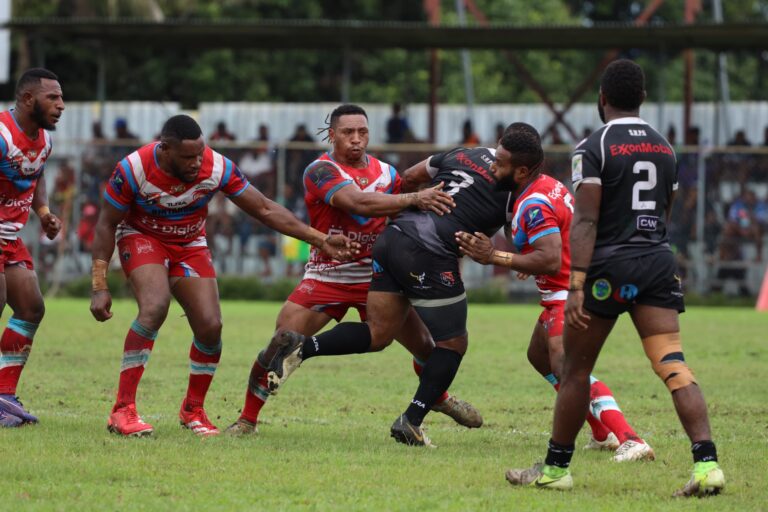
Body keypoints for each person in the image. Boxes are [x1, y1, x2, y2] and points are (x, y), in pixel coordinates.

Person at [505, 59, 724, 497]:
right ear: (641, 98)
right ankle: (707, 465)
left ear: (602, 98)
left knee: (575, 371)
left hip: (608, 269)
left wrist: (578, 284)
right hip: (657, 262)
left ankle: (556, 470)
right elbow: (664, 213)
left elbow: (584, 221)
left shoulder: (593, 146)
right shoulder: (666, 148)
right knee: (673, 365)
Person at [262, 123, 544, 447]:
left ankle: (302, 346)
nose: (496, 169)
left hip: (392, 237)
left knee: (379, 334)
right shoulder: (520, 185)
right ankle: (412, 419)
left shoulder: (462, 153)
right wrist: (520, 256)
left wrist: (414, 204)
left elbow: (409, 176)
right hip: (429, 251)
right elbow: (517, 227)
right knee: (453, 344)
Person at [89, 114, 357, 438]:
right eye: (187, 157)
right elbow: (105, 224)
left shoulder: (216, 167)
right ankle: (123, 410)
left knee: (210, 325)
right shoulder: (134, 169)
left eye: (199, 154)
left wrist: (320, 239)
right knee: (154, 306)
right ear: (165, 149)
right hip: (142, 237)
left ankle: (193, 411)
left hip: (189, 243)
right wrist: (99, 284)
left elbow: (264, 208)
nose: (196, 163)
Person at [226, 104, 479, 436]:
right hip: (327, 273)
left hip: (380, 277)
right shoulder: (319, 171)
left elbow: (406, 217)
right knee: (280, 343)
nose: (356, 140)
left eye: (362, 132)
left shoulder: (388, 174)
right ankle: (247, 419)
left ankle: (439, 398)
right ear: (332, 135)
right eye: (347, 133)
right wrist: (415, 196)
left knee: (426, 348)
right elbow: (356, 202)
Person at [454, 135, 653, 462]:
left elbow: (549, 258)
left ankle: (630, 438)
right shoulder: (545, 184)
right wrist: (527, 260)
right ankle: (601, 433)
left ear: (520, 172)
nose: (492, 167)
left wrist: (495, 257)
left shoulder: (532, 202)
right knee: (538, 355)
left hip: (568, 294)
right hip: (563, 289)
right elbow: (557, 239)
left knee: (568, 368)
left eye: (499, 163)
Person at [0, 68, 64, 427]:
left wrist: (43, 212)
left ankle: (4, 397)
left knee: (30, 308)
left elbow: (33, 174)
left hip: (10, 238)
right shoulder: (1, 134)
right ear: (27, 99)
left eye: (61, 97)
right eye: (52, 98)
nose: (61, 105)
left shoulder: (44, 141)